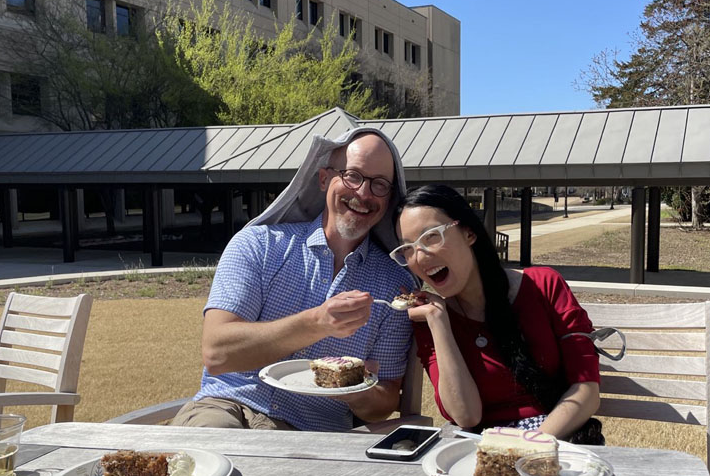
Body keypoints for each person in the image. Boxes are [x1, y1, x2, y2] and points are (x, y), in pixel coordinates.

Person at [172, 128, 415, 431]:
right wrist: (317, 323)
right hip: (226, 407)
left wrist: (349, 384)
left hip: (310, 431)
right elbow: (217, 353)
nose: (364, 194)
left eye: (380, 185)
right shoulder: (258, 245)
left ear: (390, 198)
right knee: (205, 461)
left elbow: (384, 403)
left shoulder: (394, 285)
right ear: (325, 178)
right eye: (353, 176)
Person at [393, 184, 603, 444]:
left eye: (431, 237)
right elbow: (466, 416)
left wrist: (526, 447)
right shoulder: (430, 318)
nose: (419, 257)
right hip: (481, 448)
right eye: (407, 249)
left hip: (553, 440)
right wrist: (438, 322)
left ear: (469, 232)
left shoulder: (544, 286)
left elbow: (587, 390)